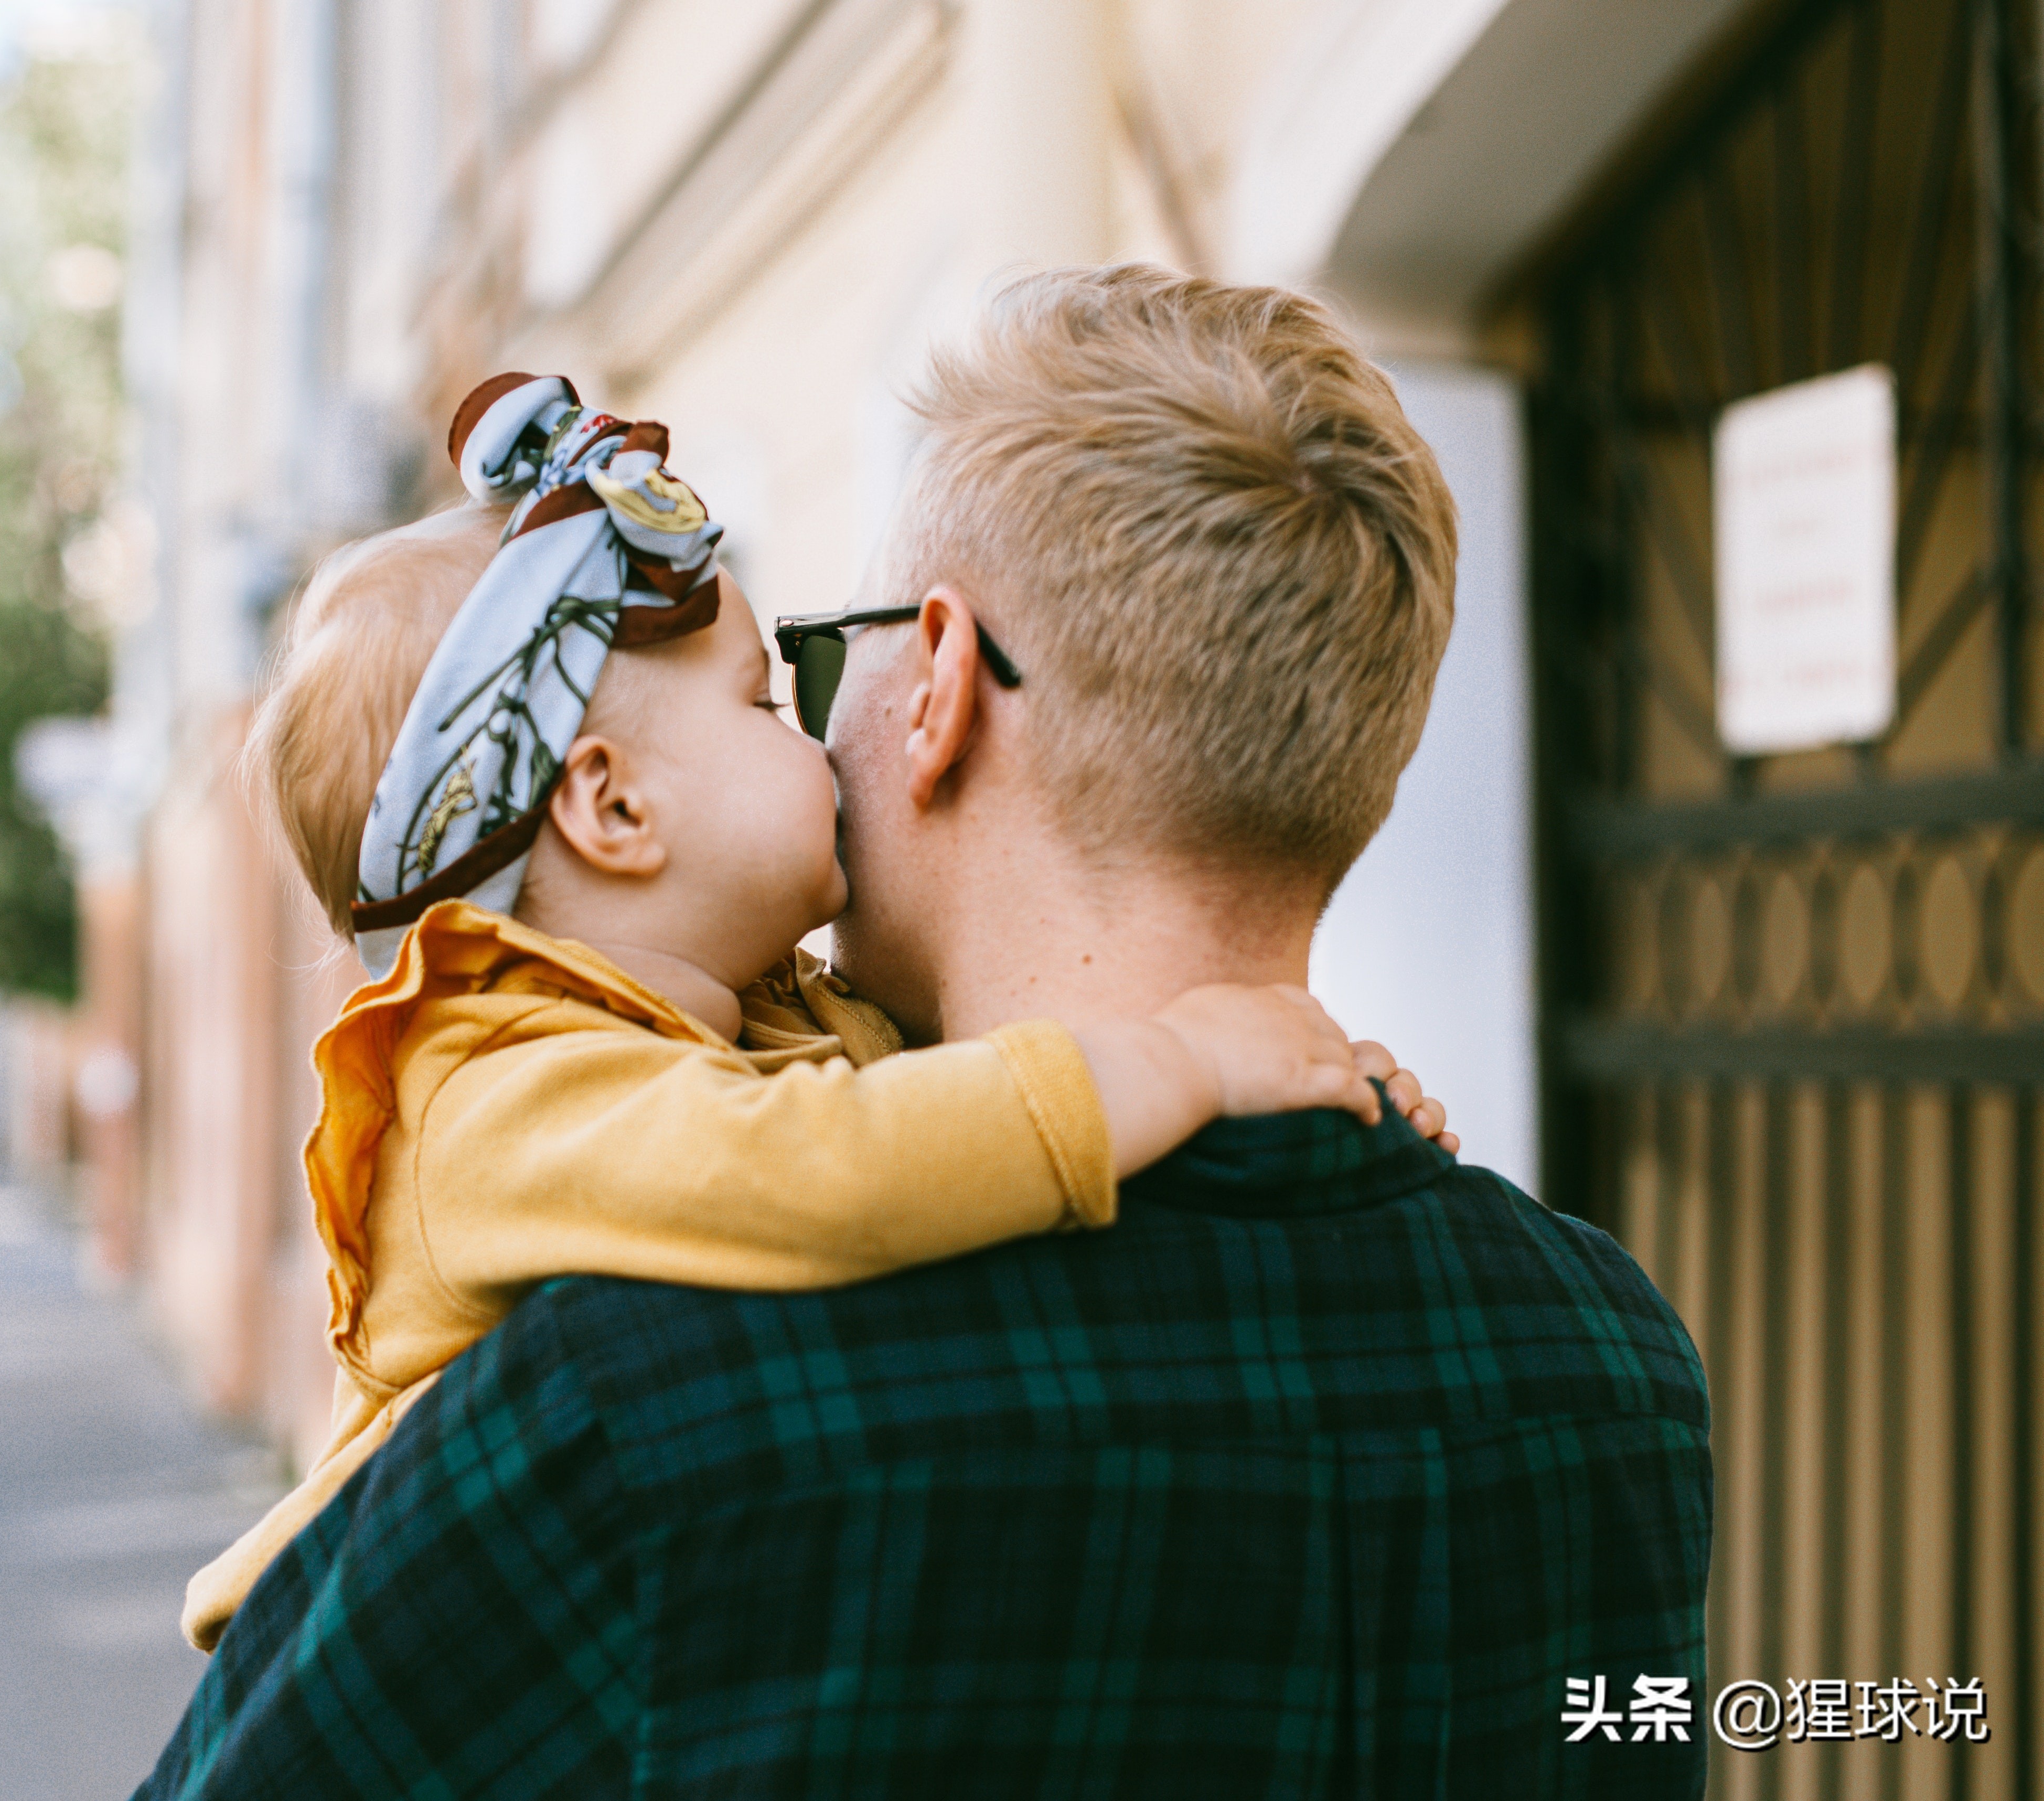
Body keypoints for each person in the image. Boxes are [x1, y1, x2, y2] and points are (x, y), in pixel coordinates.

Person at [136, 267, 1709, 1799]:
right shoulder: (1609, 1356)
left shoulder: (636, 1398)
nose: (813, 733)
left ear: (942, 684)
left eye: (814, 670)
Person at [176, 371, 1455, 1652]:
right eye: (761, 702)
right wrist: (1183, 1060)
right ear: (613, 810)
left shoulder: (757, 1025)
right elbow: (842, 1167)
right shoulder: (501, 1094)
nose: (823, 742)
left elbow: (940, 1109)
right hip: (411, 1664)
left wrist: (1295, 1078)